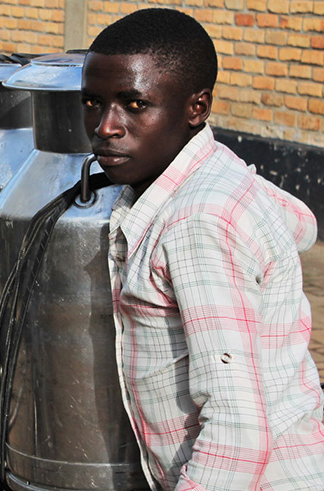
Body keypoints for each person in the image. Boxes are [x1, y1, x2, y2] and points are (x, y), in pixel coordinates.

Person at [81, 8, 324, 490]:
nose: (106, 126)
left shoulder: (196, 222)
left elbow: (236, 432)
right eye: (92, 102)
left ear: (197, 108)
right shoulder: (210, 169)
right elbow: (302, 222)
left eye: (134, 105)